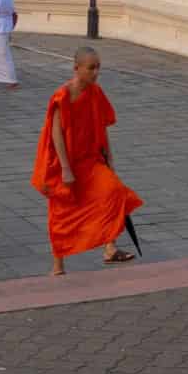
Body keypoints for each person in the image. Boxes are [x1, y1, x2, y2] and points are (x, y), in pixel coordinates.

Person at [31, 47, 142, 275]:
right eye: (91, 68)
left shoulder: (95, 92)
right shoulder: (63, 95)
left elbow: (102, 126)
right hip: (66, 163)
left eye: (98, 67)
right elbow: (56, 134)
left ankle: (110, 248)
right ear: (76, 68)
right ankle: (58, 265)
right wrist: (65, 169)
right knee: (62, 212)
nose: (96, 72)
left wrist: (110, 158)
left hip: (91, 161)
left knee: (113, 191)